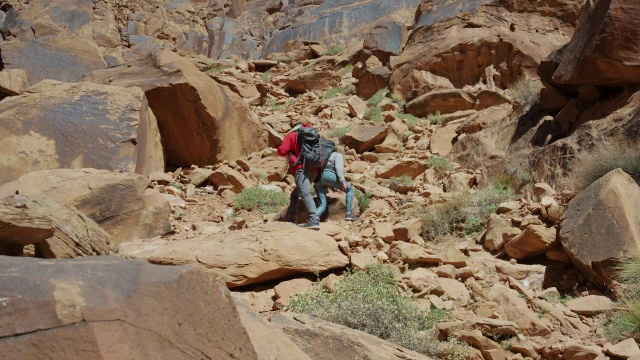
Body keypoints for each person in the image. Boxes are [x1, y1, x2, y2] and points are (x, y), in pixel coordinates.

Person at [277, 123, 320, 230]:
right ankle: (291, 218)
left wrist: (279, 149)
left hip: (300, 169)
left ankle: (314, 219)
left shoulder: (292, 135)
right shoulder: (313, 137)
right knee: (295, 194)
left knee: (305, 193)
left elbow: (282, 151)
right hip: (314, 170)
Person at [315, 151, 358, 222]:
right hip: (329, 174)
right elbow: (338, 169)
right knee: (350, 190)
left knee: (322, 205)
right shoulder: (337, 154)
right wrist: (342, 181)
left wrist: (334, 187)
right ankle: (348, 214)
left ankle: (313, 219)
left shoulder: (322, 155)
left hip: (318, 177)